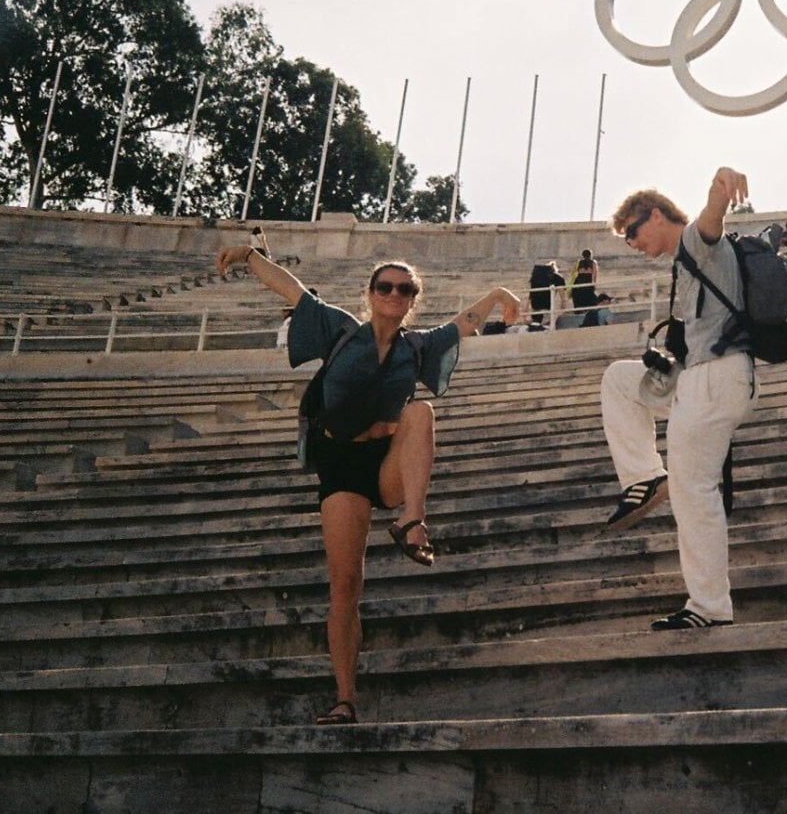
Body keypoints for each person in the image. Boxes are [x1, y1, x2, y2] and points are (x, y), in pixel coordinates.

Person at [214, 242, 520, 726]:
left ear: (413, 298)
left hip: (388, 463)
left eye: (405, 289)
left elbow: (463, 324)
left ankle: (412, 520)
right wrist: (250, 255)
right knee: (345, 584)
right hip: (341, 463)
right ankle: (345, 699)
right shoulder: (339, 330)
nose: (394, 294)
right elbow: (291, 289)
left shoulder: (416, 346)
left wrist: (499, 292)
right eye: (385, 286)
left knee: (420, 410)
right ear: (370, 293)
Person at [600, 167, 758, 630]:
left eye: (632, 232)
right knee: (620, 380)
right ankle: (646, 477)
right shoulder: (682, 263)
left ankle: (709, 607)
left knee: (693, 493)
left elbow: (711, 222)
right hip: (697, 378)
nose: (633, 244)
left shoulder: (693, 241)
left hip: (717, 379)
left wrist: (719, 189)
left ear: (654, 215)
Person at [527, 260, 565, 328]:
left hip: (535, 307)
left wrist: (526, 308)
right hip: (547, 307)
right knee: (546, 326)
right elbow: (562, 295)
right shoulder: (557, 278)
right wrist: (563, 304)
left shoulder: (536, 278)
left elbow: (531, 294)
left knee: (535, 326)